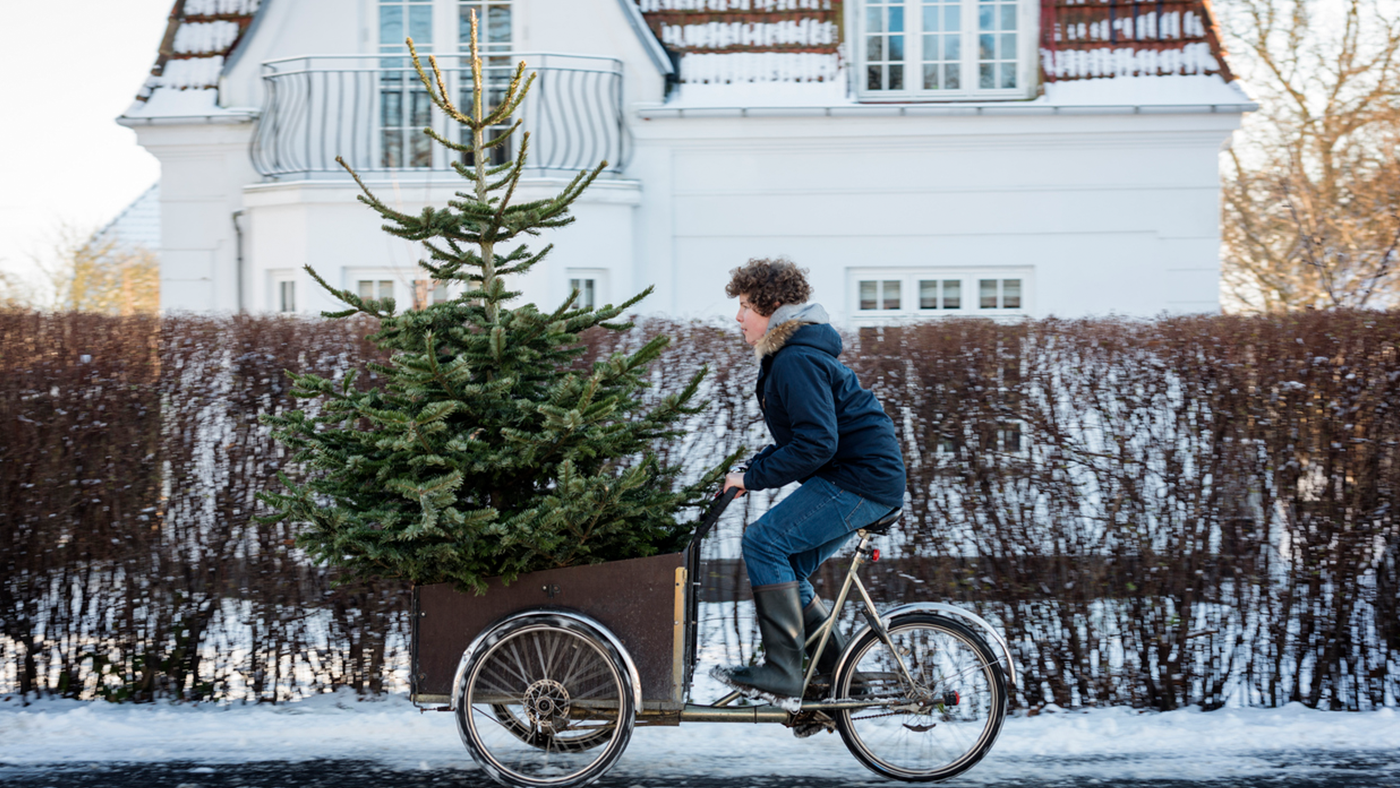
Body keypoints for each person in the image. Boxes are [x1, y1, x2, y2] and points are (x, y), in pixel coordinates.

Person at [713, 258, 907, 712]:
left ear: (772, 306)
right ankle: (839, 677)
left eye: (744, 306)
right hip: (862, 476)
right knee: (789, 567)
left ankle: (783, 672)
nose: (738, 317)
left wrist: (754, 477)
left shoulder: (795, 359)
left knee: (764, 543)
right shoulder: (793, 355)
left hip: (858, 479)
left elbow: (817, 443)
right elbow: (807, 437)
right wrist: (752, 469)